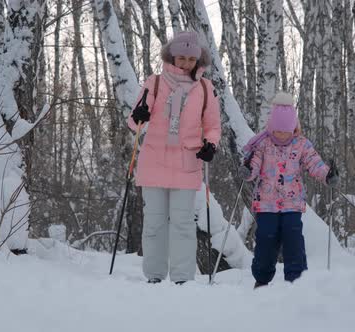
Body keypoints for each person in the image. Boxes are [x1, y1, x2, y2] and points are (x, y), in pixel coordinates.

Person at [127, 31, 221, 284]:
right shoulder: (155, 82)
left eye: (191, 59)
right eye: (181, 58)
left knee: (182, 223)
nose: (186, 64)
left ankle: (182, 277)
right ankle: (154, 275)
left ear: (198, 60)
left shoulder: (205, 87)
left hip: (187, 162)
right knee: (155, 223)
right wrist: (139, 116)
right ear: (172, 56)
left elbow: (212, 125)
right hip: (154, 161)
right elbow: (133, 123)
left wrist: (210, 144)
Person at [239, 91, 339, 288]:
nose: (281, 136)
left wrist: (327, 175)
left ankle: (297, 279)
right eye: (278, 131)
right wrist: (248, 170)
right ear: (271, 128)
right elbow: (255, 166)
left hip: (292, 204)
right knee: (266, 238)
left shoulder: (301, 144)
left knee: (293, 237)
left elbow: (314, 163)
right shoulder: (263, 144)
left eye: (286, 131)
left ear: (293, 128)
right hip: (266, 204)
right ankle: (262, 278)